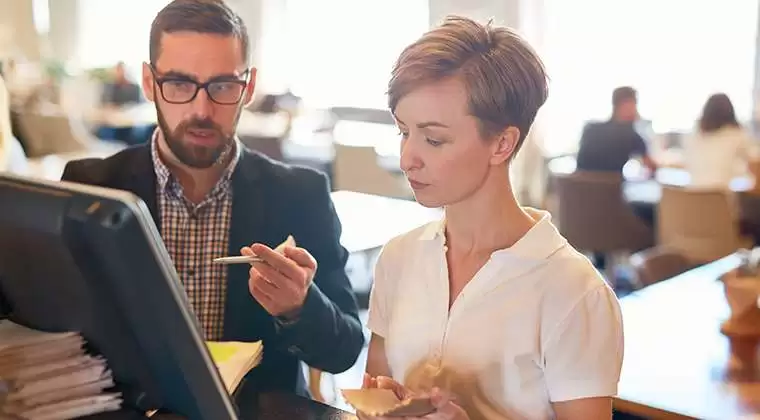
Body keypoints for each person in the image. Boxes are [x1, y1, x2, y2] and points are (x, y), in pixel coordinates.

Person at [61, 0, 363, 398]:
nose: (201, 110)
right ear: (150, 83)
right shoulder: (91, 187)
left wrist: (298, 307)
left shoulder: (299, 195)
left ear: (248, 87)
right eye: (180, 84)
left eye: (222, 86)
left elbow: (343, 352)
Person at [362, 16, 623, 420]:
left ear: (502, 143)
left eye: (433, 139)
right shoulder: (398, 258)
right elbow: (371, 403)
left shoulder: (573, 292)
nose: (407, 158)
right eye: (403, 132)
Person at [682, 93, 758, 189]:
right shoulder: (736, 134)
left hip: (691, 199)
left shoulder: (695, 136)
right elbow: (754, 157)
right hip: (724, 199)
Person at [576, 86, 657, 174]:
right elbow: (652, 167)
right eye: (634, 104)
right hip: (608, 186)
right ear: (626, 104)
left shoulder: (590, 128)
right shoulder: (630, 135)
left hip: (575, 185)